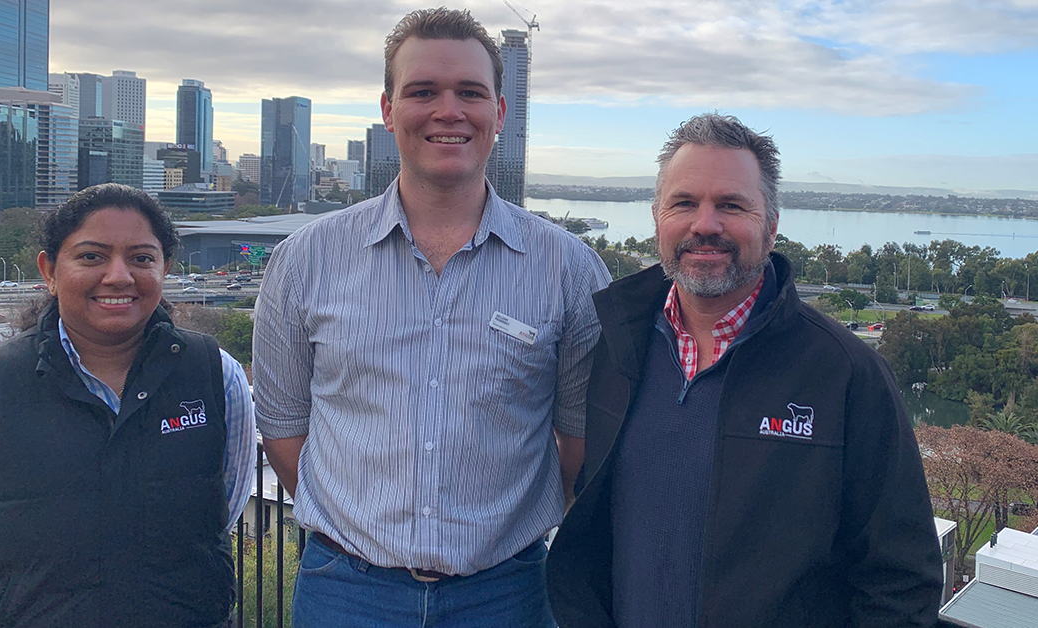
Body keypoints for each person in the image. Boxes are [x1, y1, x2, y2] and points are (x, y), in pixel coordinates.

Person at [252, 7, 610, 628]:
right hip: (347, 592)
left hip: (510, 594)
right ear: (388, 110)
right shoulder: (305, 260)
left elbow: (577, 439)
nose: (449, 111)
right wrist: (361, 526)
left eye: (470, 92)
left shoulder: (569, 269)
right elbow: (284, 428)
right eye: (423, 92)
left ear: (500, 112)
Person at [546, 114, 943, 628]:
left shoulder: (847, 374)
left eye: (731, 205)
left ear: (771, 226)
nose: (705, 224)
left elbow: (901, 579)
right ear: (657, 218)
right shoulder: (616, 348)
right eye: (684, 203)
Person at [0, 184, 256, 628]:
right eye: (91, 256)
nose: (119, 276)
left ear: (165, 269)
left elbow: (224, 509)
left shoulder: (217, 376)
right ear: (49, 271)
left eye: (141, 258)